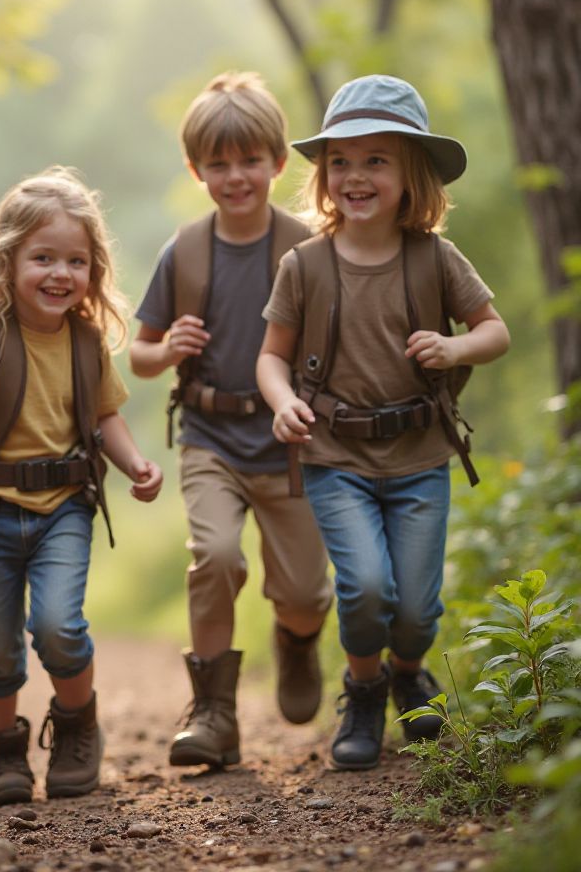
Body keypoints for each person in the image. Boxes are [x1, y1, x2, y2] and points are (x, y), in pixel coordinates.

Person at [257, 73, 510, 771]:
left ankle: (408, 671)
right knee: (367, 586)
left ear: (411, 174)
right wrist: (284, 402)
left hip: (421, 456)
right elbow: (271, 359)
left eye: (376, 160)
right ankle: (363, 688)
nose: (355, 176)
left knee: (418, 607)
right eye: (341, 160)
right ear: (323, 174)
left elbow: (495, 331)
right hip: (336, 456)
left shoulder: (434, 258)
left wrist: (455, 345)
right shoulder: (304, 264)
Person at [0, 167, 163, 805]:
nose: (61, 273)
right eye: (43, 258)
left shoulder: (87, 342)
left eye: (76, 261)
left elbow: (107, 415)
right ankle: (2, 755)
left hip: (64, 509)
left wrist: (137, 464)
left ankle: (79, 729)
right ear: (8, 262)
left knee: (60, 626)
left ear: (94, 270)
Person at [129, 72, 332, 769]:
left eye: (250, 160)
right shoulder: (185, 251)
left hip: (292, 445)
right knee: (213, 558)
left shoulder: (309, 249)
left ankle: (298, 639)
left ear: (279, 162)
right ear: (197, 169)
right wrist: (167, 349)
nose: (235, 176)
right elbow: (139, 355)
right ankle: (213, 712)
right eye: (218, 163)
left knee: (304, 592)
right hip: (211, 436)